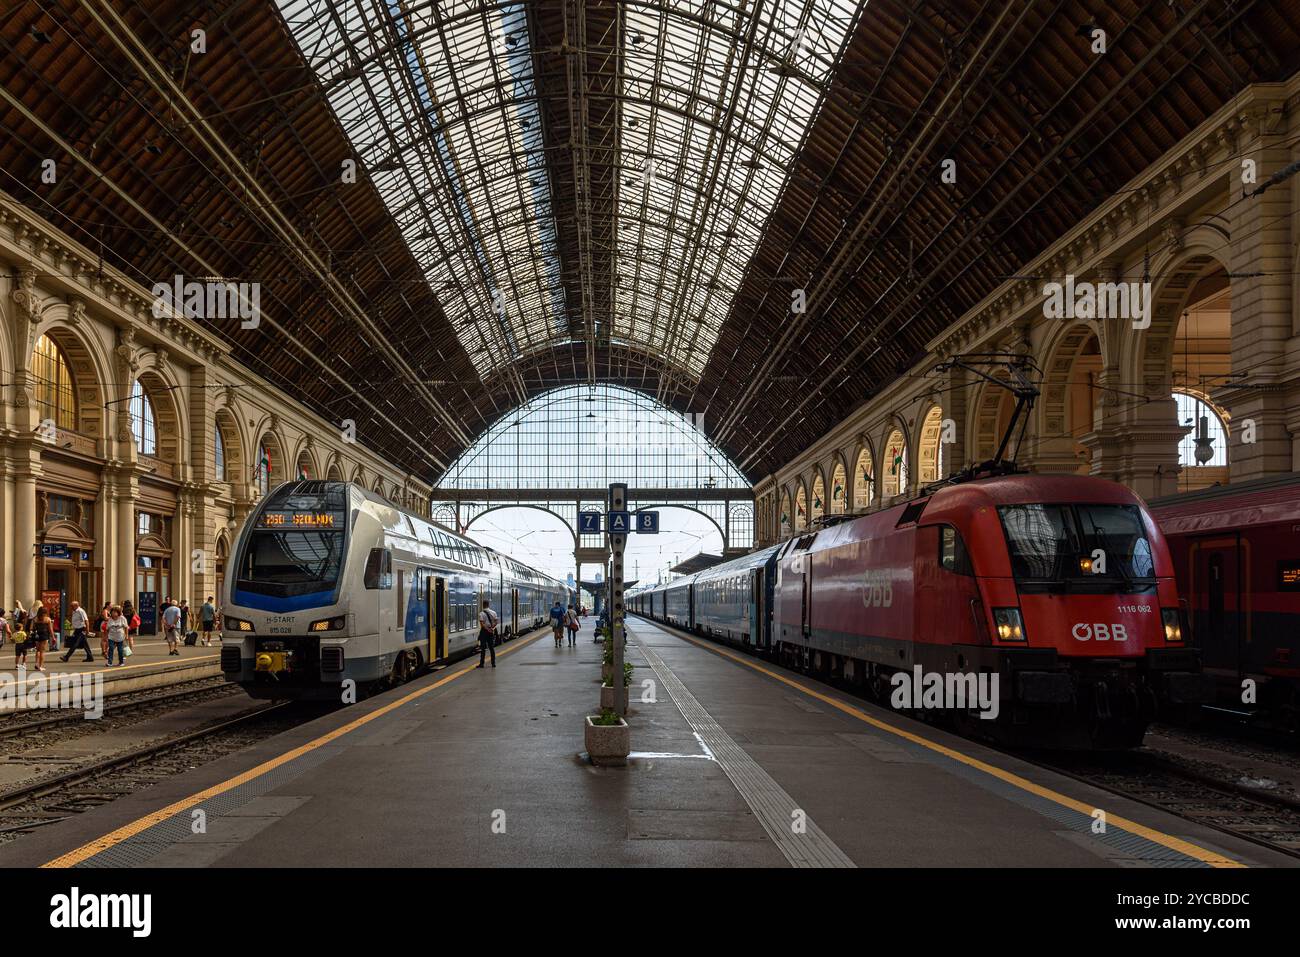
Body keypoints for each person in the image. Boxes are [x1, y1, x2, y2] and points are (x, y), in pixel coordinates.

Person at [29, 605, 53, 673]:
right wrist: (53, 637)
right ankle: (41, 666)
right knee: (42, 651)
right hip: (44, 635)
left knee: (38, 650)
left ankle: (36, 663)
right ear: (45, 612)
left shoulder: (35, 619)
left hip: (37, 635)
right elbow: (50, 629)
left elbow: (31, 628)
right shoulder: (47, 619)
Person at [477, 599, 498, 669]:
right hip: (491, 631)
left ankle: (482, 664)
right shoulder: (494, 612)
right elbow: (496, 622)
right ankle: (493, 663)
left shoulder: (481, 613)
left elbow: (482, 624)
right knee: (491, 648)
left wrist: (487, 629)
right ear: (489, 605)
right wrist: (492, 628)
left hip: (484, 632)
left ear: (483, 605)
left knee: (483, 648)